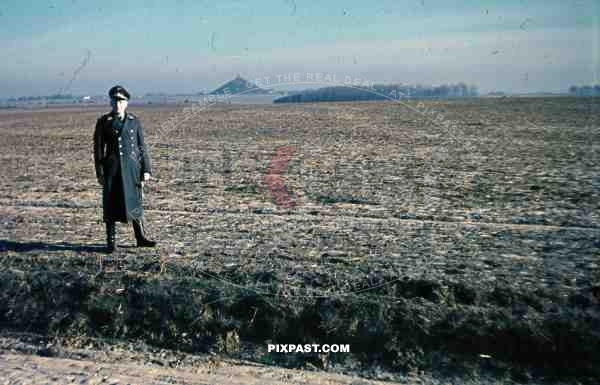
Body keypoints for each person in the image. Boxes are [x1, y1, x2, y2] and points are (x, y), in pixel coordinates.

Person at [93, 85, 156, 252]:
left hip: (131, 170)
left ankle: (140, 237)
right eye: (114, 100)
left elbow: (142, 147)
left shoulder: (134, 122)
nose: (117, 103)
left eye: (121, 100)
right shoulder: (103, 122)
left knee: (135, 201)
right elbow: (98, 150)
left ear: (126, 103)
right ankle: (111, 242)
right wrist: (100, 172)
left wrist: (146, 170)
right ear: (110, 102)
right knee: (111, 204)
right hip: (112, 171)